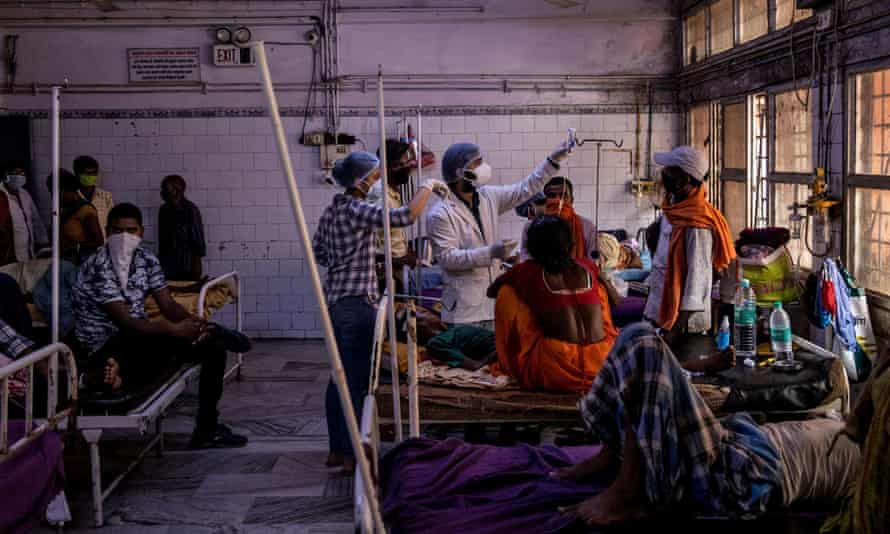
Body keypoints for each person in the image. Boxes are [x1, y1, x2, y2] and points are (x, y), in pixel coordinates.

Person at [555, 322, 860, 527]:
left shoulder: (874, 458)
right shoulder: (852, 423)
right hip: (733, 443)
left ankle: (627, 492)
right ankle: (613, 453)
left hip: (739, 473)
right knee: (636, 335)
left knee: (645, 344)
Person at [71, 203, 251, 449]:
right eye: (117, 231)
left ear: (141, 232)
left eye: (131, 230)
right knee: (165, 339)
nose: (125, 237)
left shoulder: (146, 259)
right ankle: (110, 372)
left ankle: (207, 429)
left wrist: (193, 322)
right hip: (106, 342)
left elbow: (167, 305)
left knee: (212, 349)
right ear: (106, 231)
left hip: (139, 337)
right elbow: (126, 323)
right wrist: (172, 330)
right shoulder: (99, 266)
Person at [312, 151, 448, 473]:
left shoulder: (332, 211)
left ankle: (336, 449)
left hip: (335, 300)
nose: (377, 180)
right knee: (359, 381)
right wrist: (427, 187)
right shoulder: (358, 209)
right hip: (359, 303)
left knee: (339, 377)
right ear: (360, 182)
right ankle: (351, 457)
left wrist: (356, 256)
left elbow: (319, 251)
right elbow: (405, 217)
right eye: (373, 176)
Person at [427, 141, 572, 329]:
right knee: (472, 358)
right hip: (463, 312)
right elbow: (447, 258)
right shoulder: (440, 214)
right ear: (459, 172)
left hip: (493, 306)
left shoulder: (489, 196)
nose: (483, 166)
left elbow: (525, 188)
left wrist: (552, 161)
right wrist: (490, 253)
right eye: (476, 163)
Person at [486, 216, 617, 393]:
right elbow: (616, 301)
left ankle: (510, 359)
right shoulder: (587, 266)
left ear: (532, 248)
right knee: (599, 288)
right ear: (570, 245)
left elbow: (491, 291)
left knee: (507, 292)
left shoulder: (525, 271)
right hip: (601, 361)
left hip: (558, 367)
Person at [644, 146, 735, 346]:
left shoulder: (697, 225)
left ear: (684, 180)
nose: (663, 174)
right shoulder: (674, 210)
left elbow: (697, 284)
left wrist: (674, 331)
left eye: (669, 171)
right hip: (660, 313)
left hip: (683, 326)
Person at [367, 139, 418, 271]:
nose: (409, 167)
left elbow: (389, 233)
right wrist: (399, 260)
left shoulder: (392, 190)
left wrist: (404, 251)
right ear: (389, 167)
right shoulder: (380, 194)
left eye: (408, 162)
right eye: (403, 163)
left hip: (394, 268)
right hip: (382, 275)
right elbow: (368, 243)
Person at [519, 177, 597, 263]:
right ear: (545, 200)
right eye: (552, 196)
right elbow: (527, 260)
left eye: (563, 196)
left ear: (572, 200)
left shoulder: (587, 227)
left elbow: (592, 263)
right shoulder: (530, 227)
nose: (558, 200)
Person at [50, 169, 104, 264]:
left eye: (56, 192)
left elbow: (98, 241)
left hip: (79, 262)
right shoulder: (61, 208)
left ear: (68, 190)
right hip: (62, 259)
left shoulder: (85, 210)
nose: (54, 196)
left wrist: (75, 246)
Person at [158, 175, 207, 281]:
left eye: (165, 189)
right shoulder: (163, 210)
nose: (162, 193)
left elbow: (198, 241)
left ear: (177, 191)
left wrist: (196, 271)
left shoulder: (190, 210)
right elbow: (162, 241)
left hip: (187, 265)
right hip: (167, 265)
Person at [0, 160, 49, 266]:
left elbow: (36, 221)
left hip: (28, 254)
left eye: (22, 173)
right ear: (6, 175)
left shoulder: (25, 194)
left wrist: (43, 242)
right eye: (16, 173)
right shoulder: (1, 196)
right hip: (9, 256)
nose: (20, 176)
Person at [73, 155, 114, 240]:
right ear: (77, 174)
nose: (90, 176)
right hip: (80, 248)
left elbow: (112, 223)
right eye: (87, 173)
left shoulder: (106, 196)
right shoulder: (71, 197)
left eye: (93, 173)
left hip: (103, 246)